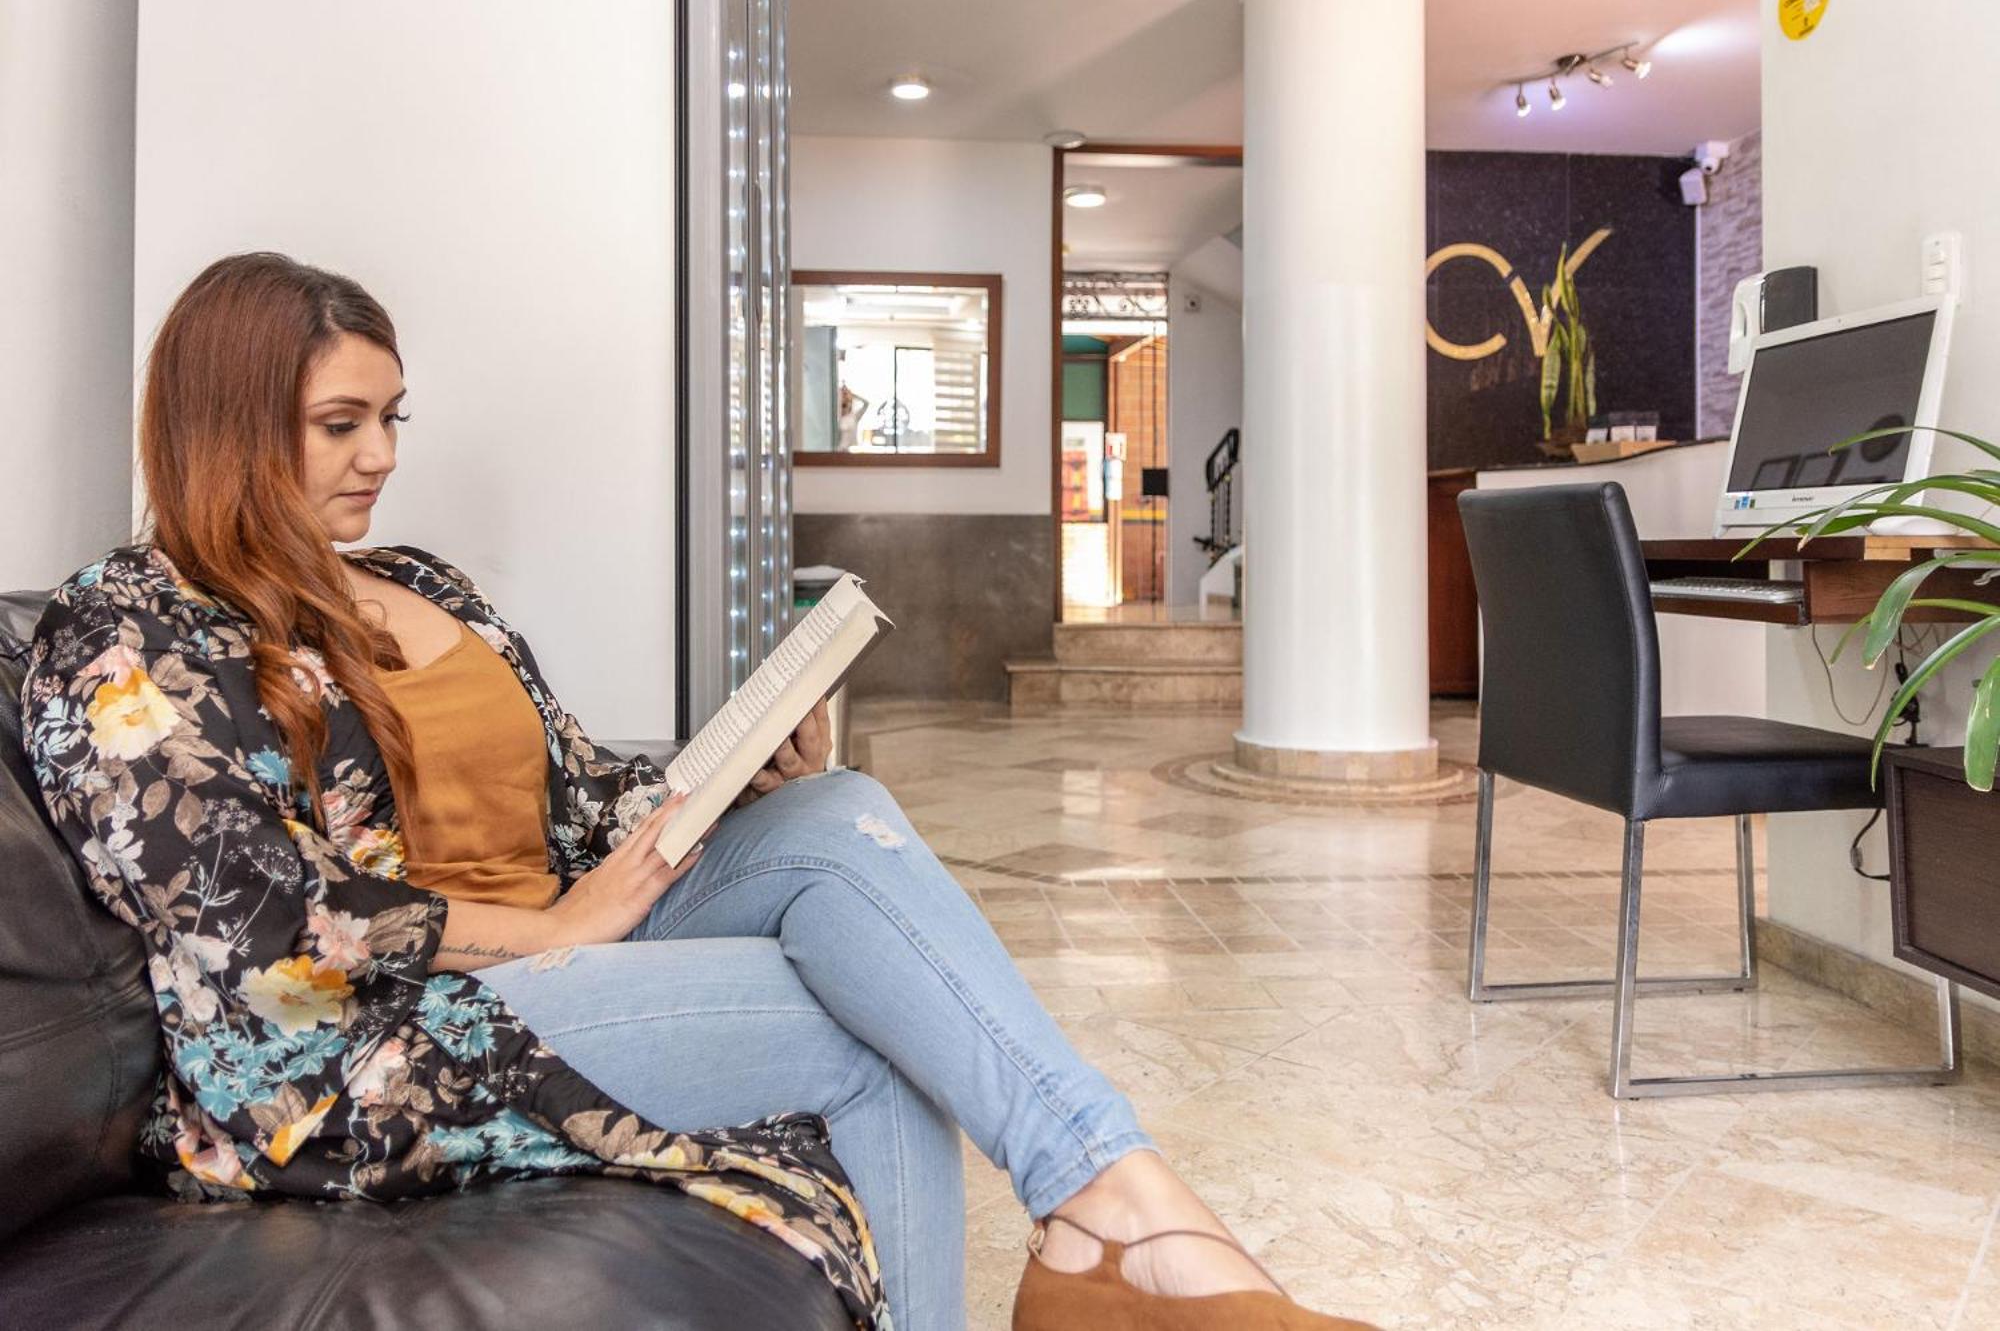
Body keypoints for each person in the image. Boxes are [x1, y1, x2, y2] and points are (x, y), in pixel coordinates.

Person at [20, 252, 1377, 1331]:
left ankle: (1100, 1194)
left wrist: (737, 772)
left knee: (833, 816)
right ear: (229, 426)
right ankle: (1116, 1231)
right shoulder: (129, 630)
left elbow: (574, 791)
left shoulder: (420, 582)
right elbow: (249, 912)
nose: (380, 454)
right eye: (340, 424)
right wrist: (548, 930)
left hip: (561, 944)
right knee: (864, 1030)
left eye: (390, 419)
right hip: (354, 1047)